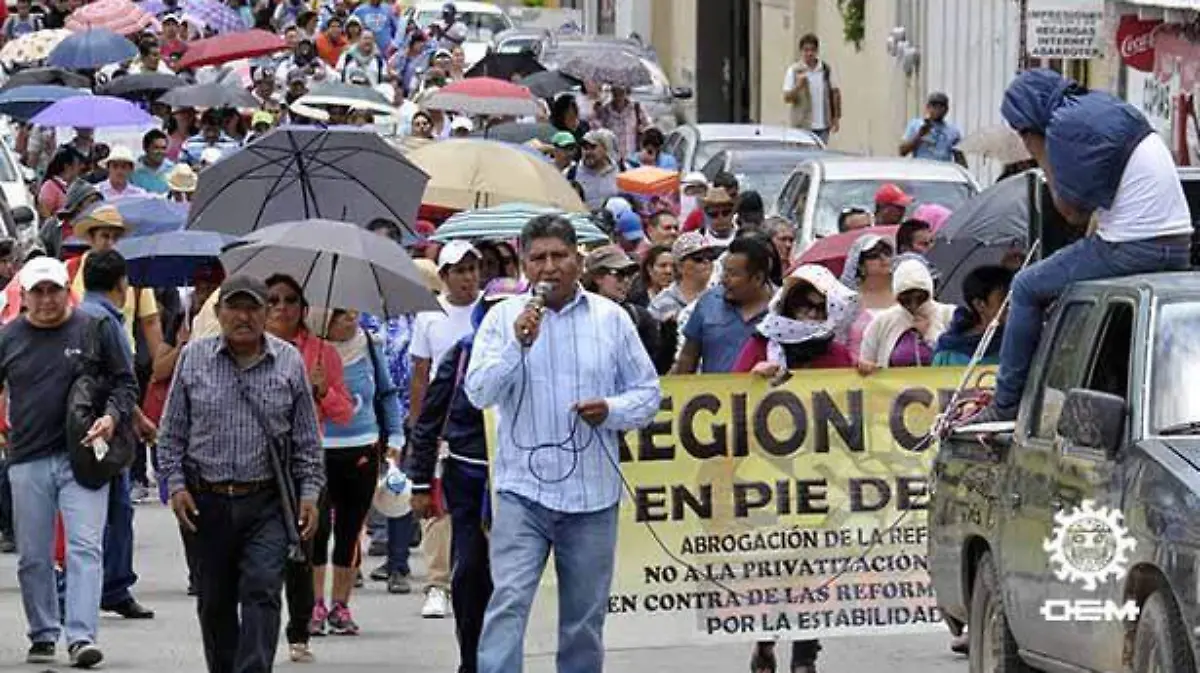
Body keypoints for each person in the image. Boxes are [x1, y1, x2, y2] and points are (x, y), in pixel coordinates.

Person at [465, 215, 660, 673]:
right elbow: (478, 393)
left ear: (579, 260)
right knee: (508, 604)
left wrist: (610, 410)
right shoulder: (502, 319)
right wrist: (517, 346)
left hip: (592, 497)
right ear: (524, 265)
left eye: (559, 256)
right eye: (538, 258)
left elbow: (648, 395)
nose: (549, 267)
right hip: (522, 494)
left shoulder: (612, 319)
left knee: (583, 622)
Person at [969, 69, 1193, 424]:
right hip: (1178, 244)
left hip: (1134, 247)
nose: (1024, 141)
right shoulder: (1104, 108)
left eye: (1023, 133)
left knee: (1025, 286)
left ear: (1030, 122)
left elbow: (1072, 213)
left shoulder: (1063, 129)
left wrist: (1044, 157)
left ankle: (1006, 403)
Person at [158, 275, 325, 673]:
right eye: (234, 307)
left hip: (266, 503)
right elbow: (171, 433)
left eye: (253, 308)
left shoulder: (288, 361)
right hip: (206, 502)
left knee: (263, 590)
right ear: (218, 313)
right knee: (214, 602)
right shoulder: (194, 358)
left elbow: (307, 440)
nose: (243, 317)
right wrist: (176, 485)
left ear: (267, 313)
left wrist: (309, 494)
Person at [0, 256, 136, 669]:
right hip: (27, 457)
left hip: (84, 457)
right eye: (38, 292)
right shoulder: (9, 337)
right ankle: (43, 632)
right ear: (24, 296)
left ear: (67, 291)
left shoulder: (95, 328)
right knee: (34, 555)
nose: (46, 300)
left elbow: (125, 382)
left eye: (54, 290)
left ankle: (81, 637)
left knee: (84, 548)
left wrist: (112, 417)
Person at [409, 277, 525, 673]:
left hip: (524, 483)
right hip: (470, 481)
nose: (500, 318)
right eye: (492, 309)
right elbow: (429, 420)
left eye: (509, 309)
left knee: (514, 578)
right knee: (472, 570)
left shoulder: (540, 354)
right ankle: (471, 659)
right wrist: (420, 483)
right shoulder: (462, 354)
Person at [262, 274, 353, 663]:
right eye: (273, 300)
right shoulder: (248, 348)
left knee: (301, 550)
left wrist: (322, 390)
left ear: (302, 308)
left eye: (290, 300)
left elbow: (344, 412)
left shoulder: (322, 353)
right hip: (256, 463)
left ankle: (299, 630)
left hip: (304, 464)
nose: (281, 307)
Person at [309, 308, 405, 637]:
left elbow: (387, 393)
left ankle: (340, 606)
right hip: (318, 450)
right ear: (324, 318)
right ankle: (314, 604)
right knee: (316, 530)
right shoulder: (308, 349)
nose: (351, 319)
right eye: (341, 314)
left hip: (363, 448)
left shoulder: (370, 345)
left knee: (350, 531)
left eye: (353, 313)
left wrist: (395, 436)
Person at [76, 250, 157, 621]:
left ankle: (104, 586)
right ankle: (111, 587)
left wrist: (137, 417)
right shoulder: (107, 322)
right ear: (121, 284)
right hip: (106, 430)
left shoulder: (79, 315)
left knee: (101, 511)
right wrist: (132, 417)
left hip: (89, 425)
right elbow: (123, 380)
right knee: (115, 511)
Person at [409, 240, 482, 620]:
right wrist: (420, 427)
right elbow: (421, 374)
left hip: (480, 423)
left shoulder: (491, 308)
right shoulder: (429, 315)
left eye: (473, 269)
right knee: (437, 505)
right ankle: (438, 583)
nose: (468, 277)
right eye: (460, 271)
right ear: (445, 275)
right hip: (442, 419)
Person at [672, 236, 775, 374]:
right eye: (724, 271)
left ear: (758, 278)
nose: (724, 280)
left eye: (732, 274)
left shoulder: (781, 309)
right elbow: (687, 358)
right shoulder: (708, 303)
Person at [858, 257, 955, 373]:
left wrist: (930, 334)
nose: (913, 305)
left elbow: (957, 359)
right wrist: (865, 366)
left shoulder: (950, 315)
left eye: (920, 298)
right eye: (906, 300)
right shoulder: (882, 322)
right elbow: (866, 359)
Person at [582, 245, 660, 363]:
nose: (626, 280)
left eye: (629, 274)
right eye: (619, 274)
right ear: (598, 277)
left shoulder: (639, 317)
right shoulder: (577, 316)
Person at [933, 265, 1013, 366]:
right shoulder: (948, 353)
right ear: (979, 305)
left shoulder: (1019, 342)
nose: (1012, 307)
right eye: (1005, 302)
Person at [838, 234, 895, 363]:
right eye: (874, 255)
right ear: (860, 265)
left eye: (887, 253)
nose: (883, 258)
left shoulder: (905, 296)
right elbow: (839, 342)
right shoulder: (847, 300)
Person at [782, 33, 840, 144]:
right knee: (803, 153)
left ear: (817, 51)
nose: (809, 53)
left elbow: (835, 92)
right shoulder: (794, 70)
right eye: (806, 50)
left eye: (812, 50)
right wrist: (798, 87)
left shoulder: (825, 69)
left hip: (823, 126)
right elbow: (787, 98)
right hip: (802, 125)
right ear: (801, 51)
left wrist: (836, 118)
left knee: (820, 153)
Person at [900, 92, 964, 165]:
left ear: (946, 109)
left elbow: (959, 158)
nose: (937, 109)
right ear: (927, 107)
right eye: (934, 106)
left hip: (943, 170)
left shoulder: (953, 131)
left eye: (941, 106)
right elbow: (902, 151)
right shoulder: (916, 125)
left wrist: (964, 170)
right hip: (922, 169)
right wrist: (919, 136)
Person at [571, 128, 621, 209]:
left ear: (605, 148)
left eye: (593, 147)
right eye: (585, 148)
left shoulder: (622, 170)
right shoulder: (572, 173)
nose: (588, 152)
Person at [130, 129, 175, 195]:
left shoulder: (173, 170)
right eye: (156, 148)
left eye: (163, 148)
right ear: (145, 148)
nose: (160, 152)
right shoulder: (133, 171)